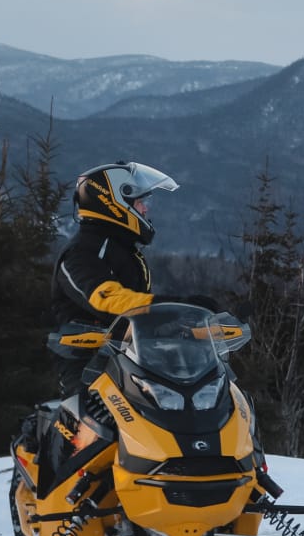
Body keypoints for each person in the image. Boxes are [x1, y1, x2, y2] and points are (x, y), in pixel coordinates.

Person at [49, 160, 215, 397]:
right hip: (90, 368)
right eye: (138, 203)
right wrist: (176, 305)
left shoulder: (120, 249)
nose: (144, 209)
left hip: (134, 361)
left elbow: (141, 319)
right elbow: (109, 301)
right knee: (93, 419)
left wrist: (202, 326)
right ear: (113, 203)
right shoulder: (80, 254)